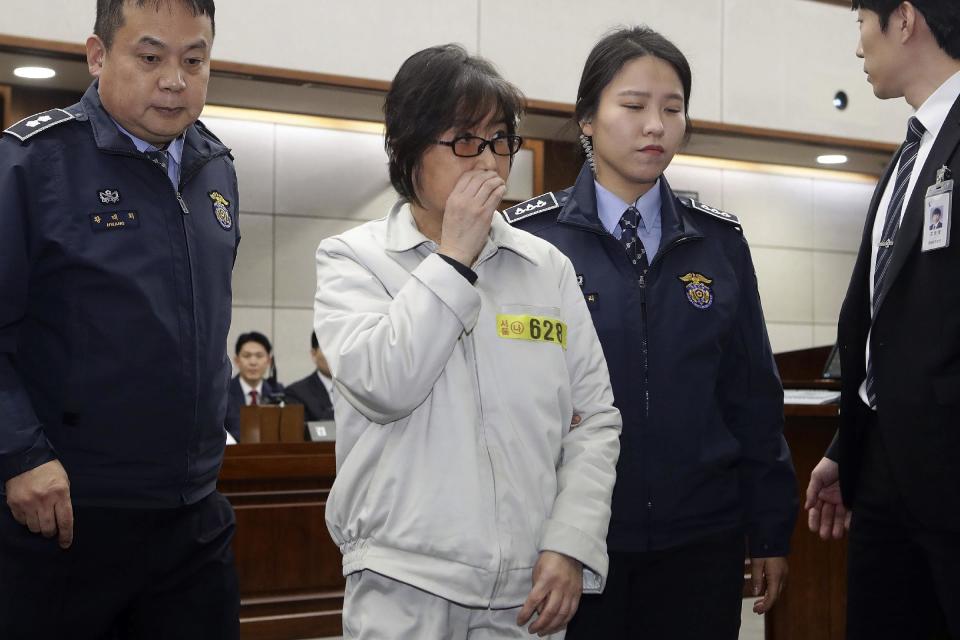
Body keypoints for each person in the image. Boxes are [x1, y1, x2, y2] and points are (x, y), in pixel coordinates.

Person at [313, 44, 621, 640]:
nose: (488, 161)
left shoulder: (546, 267)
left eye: (500, 139)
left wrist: (570, 543)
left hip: (526, 591)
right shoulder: (355, 259)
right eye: (463, 140)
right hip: (404, 582)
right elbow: (386, 385)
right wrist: (452, 257)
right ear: (407, 149)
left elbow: (595, 422)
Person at [506, 26, 798, 639]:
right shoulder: (531, 240)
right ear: (587, 118)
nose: (656, 127)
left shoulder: (719, 242)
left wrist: (770, 528)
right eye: (634, 107)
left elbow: (752, 396)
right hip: (570, 545)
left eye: (672, 109)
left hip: (701, 540)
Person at [0, 1, 240, 638]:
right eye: (151, 56)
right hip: (67, 513)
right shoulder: (30, 164)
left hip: (193, 519)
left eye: (195, 60)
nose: (174, 79)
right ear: (97, 55)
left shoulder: (215, 169)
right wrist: (18, 456)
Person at [805, 1, 960, 637]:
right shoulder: (911, 150)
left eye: (860, 23)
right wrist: (853, 443)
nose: (858, 46)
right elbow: (893, 320)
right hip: (885, 477)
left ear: (903, 19)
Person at [225, 331, 284, 440]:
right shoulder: (224, 393)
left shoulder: (277, 391)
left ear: (268, 361)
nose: (253, 362)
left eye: (259, 356)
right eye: (247, 356)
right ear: (237, 360)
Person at [283, 332, 334, 422]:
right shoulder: (296, 393)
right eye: (328, 348)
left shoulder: (358, 389)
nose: (335, 355)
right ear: (314, 354)